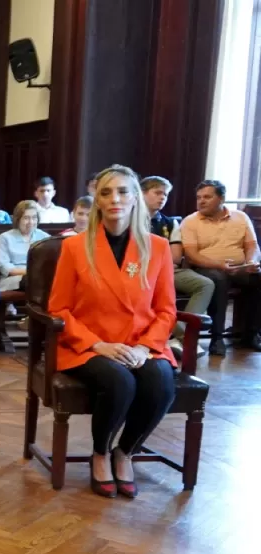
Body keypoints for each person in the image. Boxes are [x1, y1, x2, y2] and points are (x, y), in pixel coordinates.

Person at [48, 165, 177, 499]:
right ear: (98, 201)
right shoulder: (75, 247)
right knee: (119, 381)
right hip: (89, 346)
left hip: (141, 344)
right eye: (106, 192)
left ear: (135, 197)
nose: (115, 198)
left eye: (122, 191)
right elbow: (58, 309)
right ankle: (101, 452)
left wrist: (146, 348)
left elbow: (166, 310)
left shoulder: (158, 247)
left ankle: (126, 451)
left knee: (160, 382)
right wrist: (98, 345)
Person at [179, 180, 261, 353]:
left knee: (258, 276)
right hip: (205, 267)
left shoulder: (240, 217)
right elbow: (192, 255)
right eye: (199, 197)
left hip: (240, 267)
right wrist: (220, 265)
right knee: (219, 278)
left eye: (207, 197)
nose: (201, 201)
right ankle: (217, 338)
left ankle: (251, 334)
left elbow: (252, 246)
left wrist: (251, 262)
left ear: (221, 198)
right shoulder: (191, 221)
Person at [142, 176, 213, 358]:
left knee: (205, 284)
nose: (162, 198)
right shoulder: (127, 218)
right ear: (142, 194)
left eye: (165, 195)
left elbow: (174, 256)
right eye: (157, 193)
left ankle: (178, 334)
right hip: (139, 271)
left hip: (167, 269)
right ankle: (185, 338)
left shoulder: (169, 222)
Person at [0, 200, 50, 291]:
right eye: (26, 218)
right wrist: (30, 272)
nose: (31, 222)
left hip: (40, 277)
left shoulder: (45, 237)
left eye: (34, 217)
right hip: (13, 279)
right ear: (18, 219)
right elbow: (4, 267)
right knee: (33, 279)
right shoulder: (5, 237)